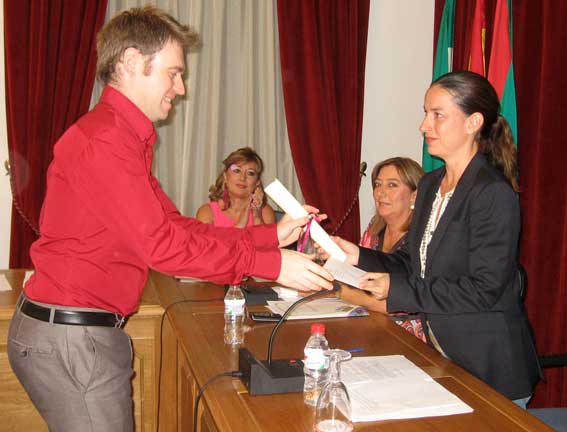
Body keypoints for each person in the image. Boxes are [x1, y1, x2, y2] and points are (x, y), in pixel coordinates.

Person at [7, 7, 332, 431]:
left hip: (77, 334)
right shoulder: (106, 140)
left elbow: (176, 227)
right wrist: (271, 265)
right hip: (73, 338)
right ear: (129, 63)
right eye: (173, 73)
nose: (180, 88)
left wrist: (272, 236)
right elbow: (162, 247)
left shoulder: (121, 136)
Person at [333, 71, 541, 404]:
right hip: (444, 355)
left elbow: (483, 289)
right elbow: (414, 262)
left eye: (437, 115)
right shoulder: (431, 185)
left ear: (473, 122)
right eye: (425, 113)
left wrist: (396, 289)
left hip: (489, 366)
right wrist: (357, 256)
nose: (424, 125)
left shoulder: (492, 192)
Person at [339, 157, 425, 341]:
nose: (380, 193)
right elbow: (357, 278)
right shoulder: (374, 228)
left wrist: (340, 292)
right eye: (378, 185)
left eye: (392, 185)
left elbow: (399, 304)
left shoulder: (423, 237)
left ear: (414, 195)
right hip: (369, 318)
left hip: (409, 334)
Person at [196, 147, 276, 227]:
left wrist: (257, 218)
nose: (242, 178)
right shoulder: (207, 212)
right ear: (225, 176)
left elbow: (266, 239)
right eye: (237, 171)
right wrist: (240, 224)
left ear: (257, 182)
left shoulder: (265, 212)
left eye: (250, 173)